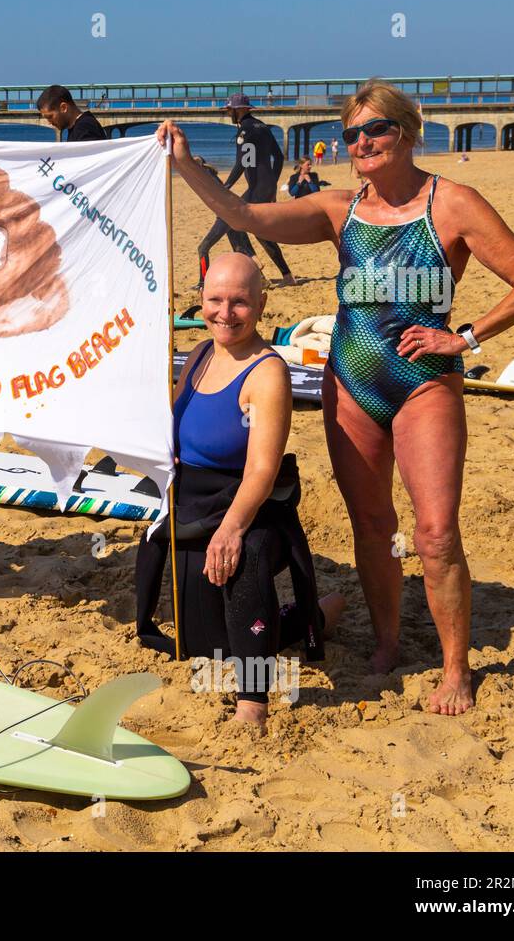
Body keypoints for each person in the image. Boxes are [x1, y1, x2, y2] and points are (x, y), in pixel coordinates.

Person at [156, 80, 514, 715]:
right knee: (372, 526)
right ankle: (389, 642)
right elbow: (244, 218)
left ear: (408, 132)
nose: (361, 143)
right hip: (350, 383)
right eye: (351, 134)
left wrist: (466, 337)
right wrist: (185, 166)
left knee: (436, 533)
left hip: (425, 385)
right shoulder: (341, 210)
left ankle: (456, 669)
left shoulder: (453, 204)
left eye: (375, 130)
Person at [136, 253, 344, 731]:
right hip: (192, 501)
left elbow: (262, 471)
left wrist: (231, 529)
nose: (225, 313)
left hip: (251, 507)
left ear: (262, 304)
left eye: (240, 302)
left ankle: (253, 703)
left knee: (245, 557)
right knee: (212, 645)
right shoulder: (199, 354)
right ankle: (314, 616)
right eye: (214, 300)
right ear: (200, 301)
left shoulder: (267, 372)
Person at [200, 94, 296, 288]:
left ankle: (256, 265)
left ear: (239, 110)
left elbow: (241, 163)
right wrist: (272, 185)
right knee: (258, 231)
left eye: (229, 110)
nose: (228, 114)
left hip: (257, 188)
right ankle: (286, 275)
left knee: (231, 222)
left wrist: (225, 187)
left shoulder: (245, 130)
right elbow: (278, 157)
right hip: (265, 186)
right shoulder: (262, 127)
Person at [36, 85, 107, 142]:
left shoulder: (84, 127)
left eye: (50, 116)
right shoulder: (78, 127)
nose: (49, 122)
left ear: (63, 107)